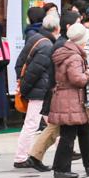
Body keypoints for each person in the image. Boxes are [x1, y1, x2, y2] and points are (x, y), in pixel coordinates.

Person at [49, 23, 89, 178]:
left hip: (67, 98)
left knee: (84, 131)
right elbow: (76, 79)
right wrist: (88, 74)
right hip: (71, 99)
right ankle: (62, 169)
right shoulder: (75, 56)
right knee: (68, 134)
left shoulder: (65, 51)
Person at [13, 11, 59, 168]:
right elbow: (35, 71)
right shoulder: (47, 45)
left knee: (53, 122)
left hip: (38, 89)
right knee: (32, 123)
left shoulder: (35, 38)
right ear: (57, 28)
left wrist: (21, 82)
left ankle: (65, 150)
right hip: (39, 90)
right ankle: (20, 157)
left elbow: (20, 63)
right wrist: (25, 90)